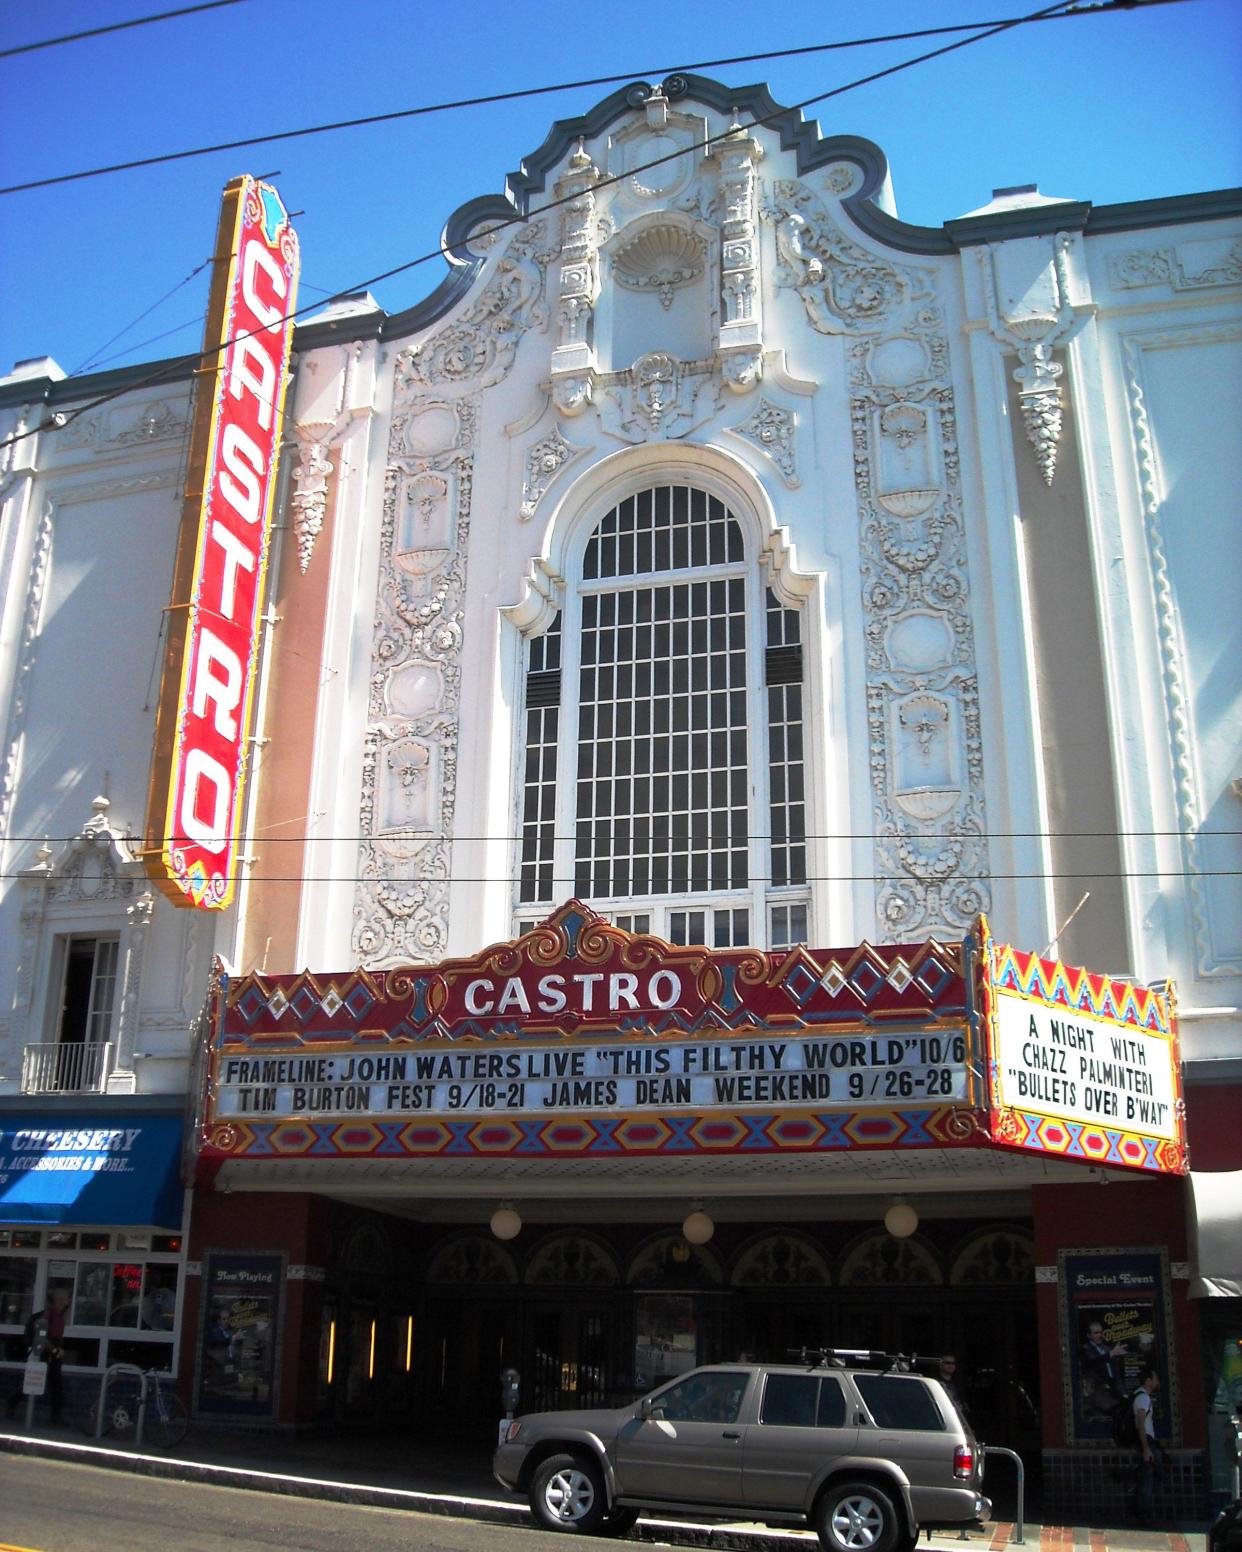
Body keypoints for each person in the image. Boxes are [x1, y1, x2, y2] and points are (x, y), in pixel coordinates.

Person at [24, 1288, 69, 1424]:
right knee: (37, 1381)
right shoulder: (49, 1315)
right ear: (58, 1299)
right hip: (45, 1354)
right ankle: (12, 1402)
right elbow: (41, 1336)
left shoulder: (60, 1316)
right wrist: (54, 1350)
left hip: (52, 1353)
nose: (69, 1300)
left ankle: (56, 1416)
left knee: (56, 1385)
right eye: (66, 1297)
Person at [1131, 1365, 1163, 1526]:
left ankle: (1144, 1513)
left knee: (1150, 1478)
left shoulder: (1141, 1397)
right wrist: (1146, 1448)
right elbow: (1141, 1424)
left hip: (1147, 1443)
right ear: (1148, 1380)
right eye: (1155, 1378)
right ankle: (1143, 1516)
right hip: (1146, 1443)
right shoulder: (1142, 1398)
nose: (1157, 1381)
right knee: (1147, 1480)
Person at [1080, 1320, 1127, 1419]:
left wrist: (1123, 1394)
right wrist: (1111, 1354)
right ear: (1089, 1335)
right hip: (1096, 1394)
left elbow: (1116, 1375)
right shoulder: (1086, 1349)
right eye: (1096, 1333)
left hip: (1112, 1393)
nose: (1099, 1335)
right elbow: (1093, 1361)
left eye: (1101, 1332)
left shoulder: (1108, 1349)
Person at [938, 1355, 970, 1423]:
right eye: (947, 1363)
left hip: (958, 1417)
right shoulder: (935, 1382)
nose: (951, 1365)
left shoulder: (958, 1383)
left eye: (953, 1363)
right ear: (941, 1365)